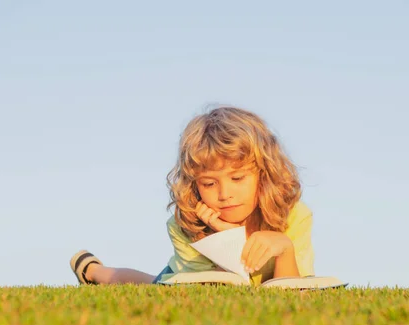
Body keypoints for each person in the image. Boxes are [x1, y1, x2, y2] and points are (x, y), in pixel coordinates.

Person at [70, 106, 315, 286]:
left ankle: (94, 271)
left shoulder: (294, 216)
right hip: (183, 278)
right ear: (194, 185)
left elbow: (293, 295)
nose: (225, 194)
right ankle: (92, 271)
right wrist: (225, 237)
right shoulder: (185, 225)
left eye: (238, 179)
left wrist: (285, 249)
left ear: (264, 174)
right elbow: (218, 292)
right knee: (151, 284)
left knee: (146, 280)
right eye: (209, 183)